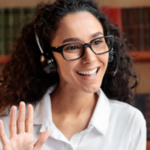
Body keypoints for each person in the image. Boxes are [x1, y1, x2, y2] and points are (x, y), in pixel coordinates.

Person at [0, 0, 146, 149]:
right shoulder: (12, 125)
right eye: (73, 47)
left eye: (97, 42)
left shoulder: (129, 121)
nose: (90, 58)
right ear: (49, 59)